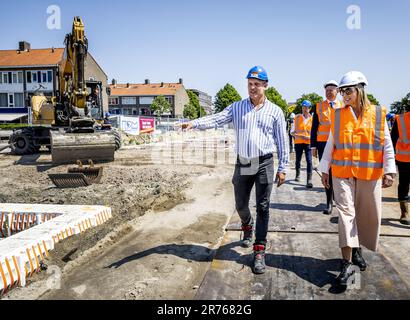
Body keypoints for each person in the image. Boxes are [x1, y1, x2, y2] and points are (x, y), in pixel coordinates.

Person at [177, 66, 289, 274]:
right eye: (249, 84)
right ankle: (247, 224)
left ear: (265, 85)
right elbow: (217, 118)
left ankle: (259, 250)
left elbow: (282, 140)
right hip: (245, 162)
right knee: (240, 204)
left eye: (256, 84)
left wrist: (283, 166)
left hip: (265, 162)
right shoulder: (237, 107)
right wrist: (194, 123)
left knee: (263, 206)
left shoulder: (275, 111)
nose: (252, 88)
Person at [318, 71, 396, 286]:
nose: (344, 95)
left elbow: (387, 145)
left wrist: (389, 169)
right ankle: (347, 264)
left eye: (348, 90)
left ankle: (357, 249)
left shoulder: (378, 114)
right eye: (342, 91)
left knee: (364, 216)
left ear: (360, 89)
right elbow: (331, 144)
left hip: (368, 175)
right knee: (345, 215)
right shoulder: (337, 115)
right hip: (342, 174)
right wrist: (325, 170)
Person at [311, 80, 342, 215]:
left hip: (340, 144)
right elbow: (314, 128)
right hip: (323, 144)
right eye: (327, 90)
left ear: (337, 91)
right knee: (326, 172)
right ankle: (328, 201)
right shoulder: (318, 106)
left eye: (332, 90)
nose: (329, 92)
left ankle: (338, 197)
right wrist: (313, 146)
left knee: (339, 171)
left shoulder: (344, 105)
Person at [391, 97, 410, 225]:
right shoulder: (401, 119)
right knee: (404, 185)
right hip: (404, 159)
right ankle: (404, 212)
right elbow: (392, 139)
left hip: (403, 158)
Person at [291, 100, 313, 188]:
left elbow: (315, 133)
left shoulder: (313, 119)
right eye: (303, 107)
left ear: (310, 109)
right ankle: (297, 175)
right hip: (298, 143)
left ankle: (309, 180)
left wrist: (309, 138)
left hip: (308, 143)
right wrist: (299, 135)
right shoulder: (296, 118)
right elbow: (291, 132)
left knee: (309, 161)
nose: (304, 109)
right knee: (298, 160)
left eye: (306, 108)